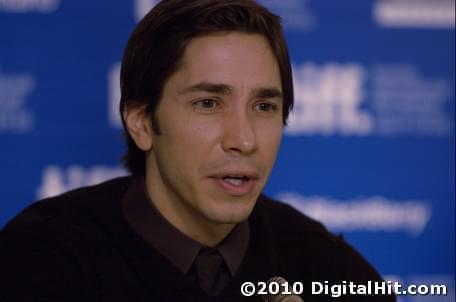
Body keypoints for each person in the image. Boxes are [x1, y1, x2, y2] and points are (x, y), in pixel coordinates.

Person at [0, 0, 395, 301]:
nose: (244, 139)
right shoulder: (40, 260)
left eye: (264, 107)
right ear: (141, 122)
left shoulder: (331, 272)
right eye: (208, 103)